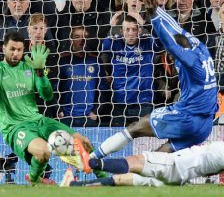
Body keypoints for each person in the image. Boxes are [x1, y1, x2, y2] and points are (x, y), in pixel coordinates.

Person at [89, 0, 218, 158]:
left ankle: (92, 159)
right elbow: (174, 27)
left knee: (134, 129)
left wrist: (154, 18)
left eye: (171, 59)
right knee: (161, 157)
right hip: (205, 124)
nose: (171, 61)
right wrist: (156, 11)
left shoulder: (187, 60)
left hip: (185, 115)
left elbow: (169, 42)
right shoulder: (200, 47)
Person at [0, 31, 93, 184]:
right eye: (12, 49)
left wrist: (40, 72)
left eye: (19, 50)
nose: (15, 54)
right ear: (4, 48)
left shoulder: (30, 67)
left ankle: (109, 181)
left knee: (84, 142)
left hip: (39, 120)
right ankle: (35, 180)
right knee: (43, 152)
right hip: (15, 127)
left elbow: (47, 95)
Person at [60, 141, 224, 187]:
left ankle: (89, 163)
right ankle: (74, 185)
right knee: (123, 179)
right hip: (179, 176)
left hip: (178, 164)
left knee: (136, 161)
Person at [102, 14, 160, 126]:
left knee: (144, 141)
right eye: (127, 30)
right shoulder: (115, 44)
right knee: (119, 140)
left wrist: (145, 23)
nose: (130, 33)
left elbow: (161, 40)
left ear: (140, 31)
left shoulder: (147, 43)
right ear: (121, 32)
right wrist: (112, 27)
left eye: (134, 29)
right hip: (120, 103)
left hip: (144, 103)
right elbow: (103, 43)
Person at [57, 26, 108, 127]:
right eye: (77, 37)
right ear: (70, 40)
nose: (81, 40)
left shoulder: (96, 61)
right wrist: (59, 110)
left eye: (84, 37)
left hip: (88, 117)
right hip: (66, 117)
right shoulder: (62, 60)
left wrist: (95, 111)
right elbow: (55, 90)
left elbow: (103, 90)